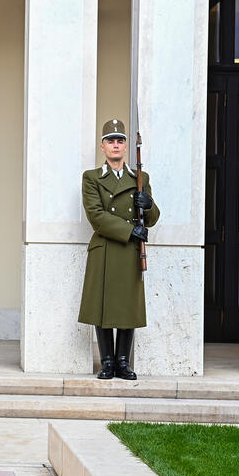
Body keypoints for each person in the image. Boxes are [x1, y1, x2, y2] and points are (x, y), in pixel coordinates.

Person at [78, 119, 160, 380]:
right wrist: (128, 231)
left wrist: (147, 205)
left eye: (120, 140)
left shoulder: (140, 178)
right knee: (102, 307)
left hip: (129, 252)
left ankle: (123, 362)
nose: (116, 145)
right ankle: (107, 362)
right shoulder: (91, 178)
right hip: (105, 248)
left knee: (127, 306)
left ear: (126, 147)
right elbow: (96, 215)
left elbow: (153, 217)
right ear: (102, 147)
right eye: (110, 141)